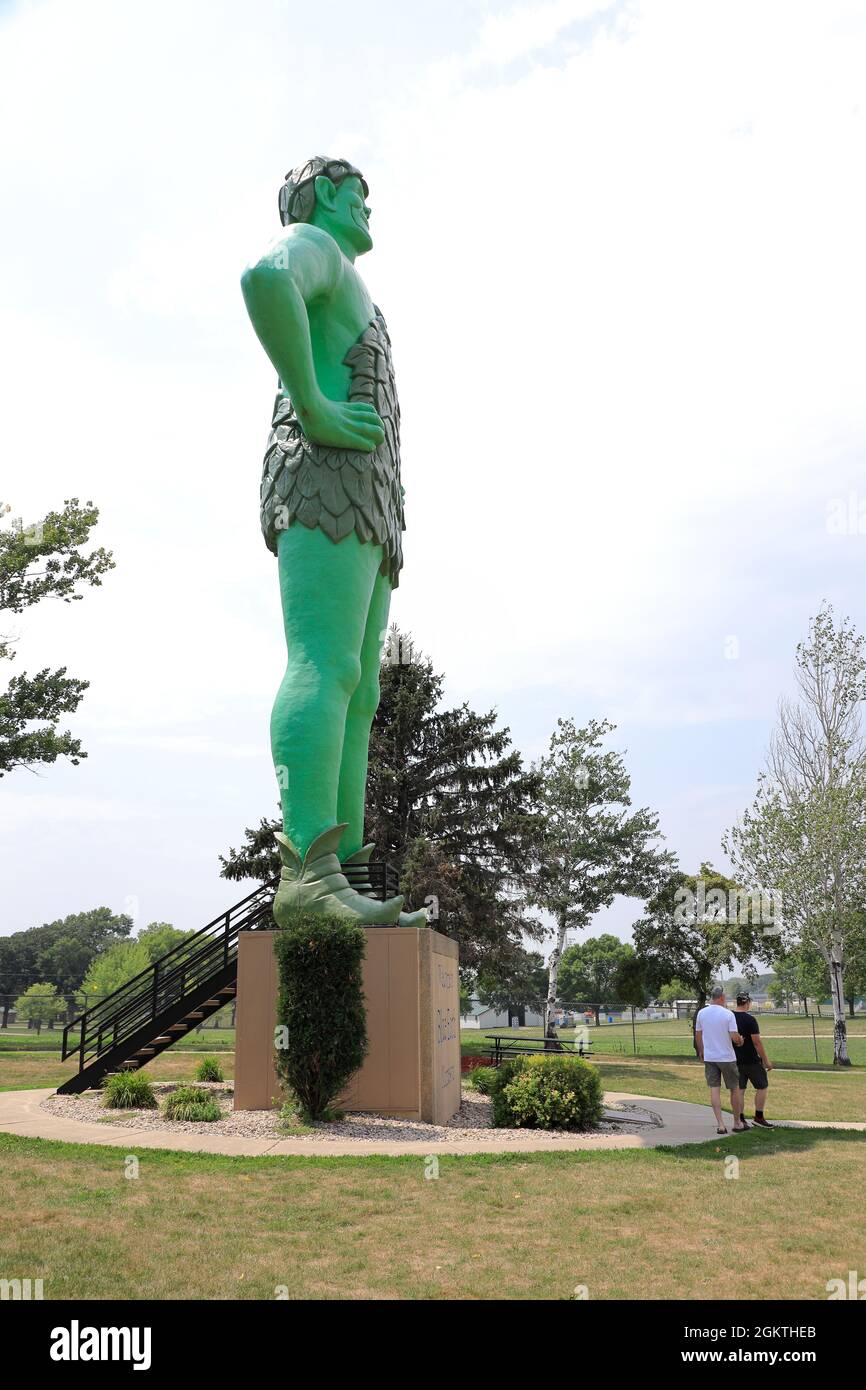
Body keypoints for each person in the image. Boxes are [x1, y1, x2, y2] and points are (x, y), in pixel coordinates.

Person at [241, 156, 426, 926]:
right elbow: (262, 277)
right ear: (321, 196)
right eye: (357, 190)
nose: (368, 202)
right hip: (321, 478)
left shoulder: (350, 279)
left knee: (359, 683)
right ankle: (308, 875)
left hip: (368, 500)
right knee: (323, 663)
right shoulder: (311, 242)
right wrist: (314, 406)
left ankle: (342, 871)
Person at [694, 985, 747, 1134]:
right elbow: (734, 1036)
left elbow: (698, 1035)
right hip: (727, 1057)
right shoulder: (728, 1014)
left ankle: (721, 1125)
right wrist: (740, 1041)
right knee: (734, 1089)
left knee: (714, 1089)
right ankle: (737, 1123)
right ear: (722, 997)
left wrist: (701, 1051)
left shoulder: (701, 1013)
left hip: (710, 1057)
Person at [733, 991, 774, 1128]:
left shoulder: (729, 1017)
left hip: (734, 1060)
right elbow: (756, 1042)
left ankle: (741, 1118)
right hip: (751, 1060)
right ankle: (759, 1116)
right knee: (762, 1086)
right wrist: (766, 1060)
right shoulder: (750, 1020)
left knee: (739, 1090)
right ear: (747, 1003)